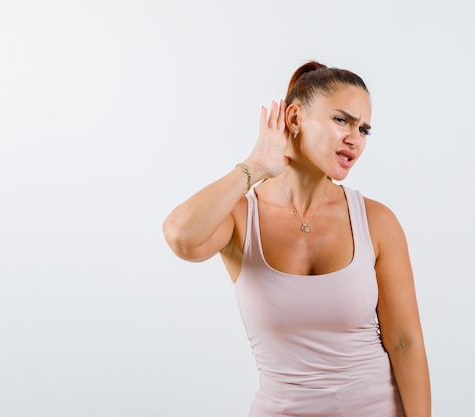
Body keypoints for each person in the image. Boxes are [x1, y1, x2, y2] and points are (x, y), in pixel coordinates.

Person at [162, 61, 431, 417]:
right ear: (293, 118)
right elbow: (182, 236)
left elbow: (405, 342)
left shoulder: (376, 221)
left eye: (364, 129)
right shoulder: (241, 218)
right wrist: (255, 166)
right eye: (342, 120)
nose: (356, 138)